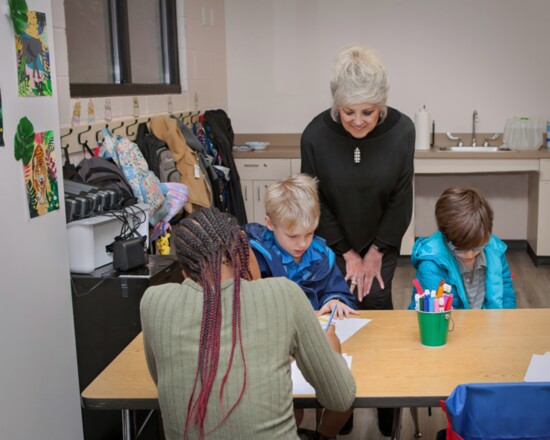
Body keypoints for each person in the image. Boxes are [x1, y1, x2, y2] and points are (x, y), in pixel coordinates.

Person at [140, 208, 356, 440]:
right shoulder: (284, 293)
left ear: (184, 274)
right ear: (246, 253)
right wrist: (332, 349)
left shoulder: (154, 302)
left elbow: (161, 379)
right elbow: (339, 398)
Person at [301, 43, 414, 435]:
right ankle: (339, 411)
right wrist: (347, 252)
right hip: (333, 242)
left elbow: (401, 197)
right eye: (349, 112)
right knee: (336, 317)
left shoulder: (402, 131)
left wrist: (375, 252)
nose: (359, 121)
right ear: (336, 104)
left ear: (382, 104)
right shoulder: (315, 135)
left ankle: (387, 409)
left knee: (378, 308)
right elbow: (316, 201)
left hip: (382, 240)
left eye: (368, 112)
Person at [244, 174, 358, 319]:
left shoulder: (321, 255)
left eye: (309, 233)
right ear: (270, 224)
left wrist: (335, 301)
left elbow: (338, 291)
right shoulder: (253, 255)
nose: (303, 243)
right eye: (293, 236)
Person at [408, 186, 516, 310]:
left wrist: (504, 322)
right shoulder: (431, 264)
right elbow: (437, 314)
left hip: (486, 323)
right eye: (461, 249)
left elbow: (506, 292)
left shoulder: (494, 249)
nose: (470, 255)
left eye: (477, 247)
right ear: (446, 237)